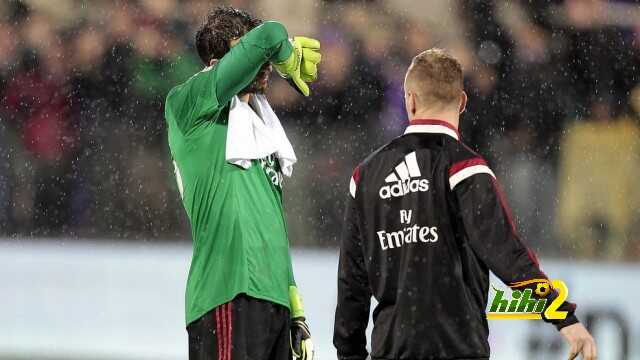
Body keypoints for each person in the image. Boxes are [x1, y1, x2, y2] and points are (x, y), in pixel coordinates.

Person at [333, 49, 596, 360]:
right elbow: (507, 255)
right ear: (462, 102)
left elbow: (352, 280)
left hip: (391, 349)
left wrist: (349, 353)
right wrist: (562, 316)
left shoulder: (366, 175)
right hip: (457, 347)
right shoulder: (465, 168)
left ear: (410, 100)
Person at [164, 6, 320, 360]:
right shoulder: (188, 103)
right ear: (220, 60)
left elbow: (272, 222)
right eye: (250, 52)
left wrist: (295, 306)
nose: (265, 62)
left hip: (272, 299)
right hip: (227, 292)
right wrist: (288, 58)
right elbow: (272, 33)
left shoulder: (260, 128)